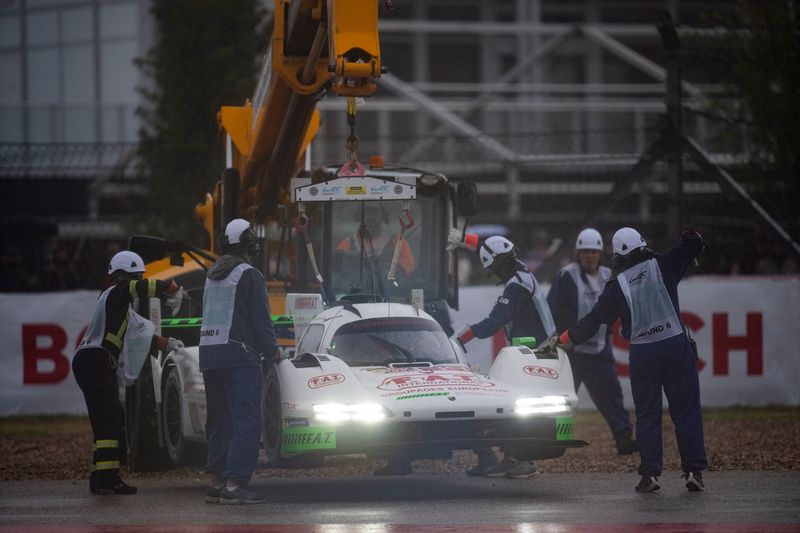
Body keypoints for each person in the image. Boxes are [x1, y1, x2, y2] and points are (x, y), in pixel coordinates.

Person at [554, 227, 708, 493]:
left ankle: (650, 475)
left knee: (647, 414)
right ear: (642, 245)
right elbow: (694, 243)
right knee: (686, 410)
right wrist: (688, 234)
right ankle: (693, 471)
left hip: (643, 353)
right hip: (675, 346)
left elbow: (592, 321)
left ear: (616, 255)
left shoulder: (616, 286)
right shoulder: (664, 264)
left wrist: (562, 338)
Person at [72, 250, 182, 495]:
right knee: (110, 418)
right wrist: (170, 287)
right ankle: (109, 479)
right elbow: (139, 287)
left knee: (104, 419)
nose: (139, 280)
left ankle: (100, 477)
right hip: (96, 361)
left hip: (89, 361)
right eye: (137, 276)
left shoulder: (115, 303)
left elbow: (140, 336)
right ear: (126, 275)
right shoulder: (118, 291)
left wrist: (168, 343)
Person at [453, 235, 558, 479]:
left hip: (535, 353)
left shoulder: (516, 284)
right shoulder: (521, 275)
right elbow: (490, 245)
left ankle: (523, 460)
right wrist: (466, 239)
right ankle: (513, 458)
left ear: (500, 263)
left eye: (492, 269)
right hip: (537, 351)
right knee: (515, 406)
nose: (493, 274)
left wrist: (463, 337)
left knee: (518, 407)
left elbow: (494, 322)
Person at [200, 219, 279, 505]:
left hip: (209, 354)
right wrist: (272, 350)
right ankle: (234, 486)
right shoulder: (249, 274)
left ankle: (217, 481)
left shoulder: (211, 274)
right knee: (247, 420)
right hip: (238, 355)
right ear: (250, 243)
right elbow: (260, 319)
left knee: (220, 420)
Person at [547, 228, 637, 455]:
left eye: (594, 252)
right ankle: (552, 442)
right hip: (571, 351)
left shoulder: (611, 275)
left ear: (600, 254)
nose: (589, 256)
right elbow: (551, 308)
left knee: (612, 397)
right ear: (578, 253)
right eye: (585, 251)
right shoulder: (566, 275)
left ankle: (624, 438)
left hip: (599, 350)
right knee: (562, 400)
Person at [335, 203, 415, 293]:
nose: (370, 216)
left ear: (382, 216)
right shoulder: (347, 243)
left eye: (374, 212)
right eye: (367, 212)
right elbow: (338, 273)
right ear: (359, 216)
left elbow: (407, 270)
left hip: (390, 297)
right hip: (356, 295)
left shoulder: (397, 242)